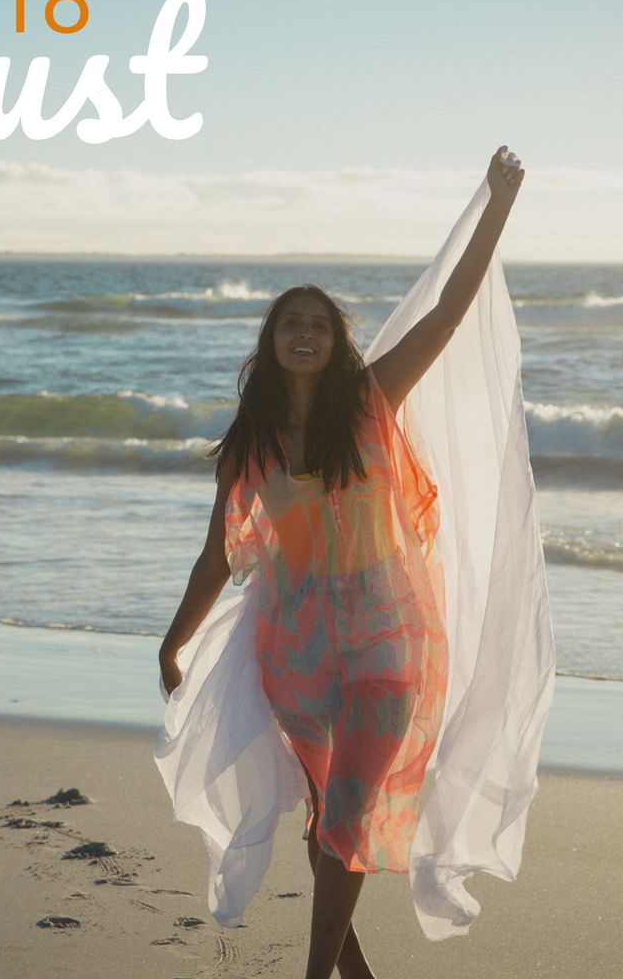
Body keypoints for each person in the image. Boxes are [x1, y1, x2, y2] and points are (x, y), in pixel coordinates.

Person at [157, 147, 525, 979]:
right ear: (271, 339)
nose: (304, 334)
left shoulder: (368, 403)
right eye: (291, 323)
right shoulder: (250, 447)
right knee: (330, 821)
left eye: (318, 325)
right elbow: (218, 555)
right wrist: (170, 642)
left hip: (385, 641)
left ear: (335, 343)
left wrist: (495, 208)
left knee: (349, 814)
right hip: (294, 656)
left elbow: (443, 318)